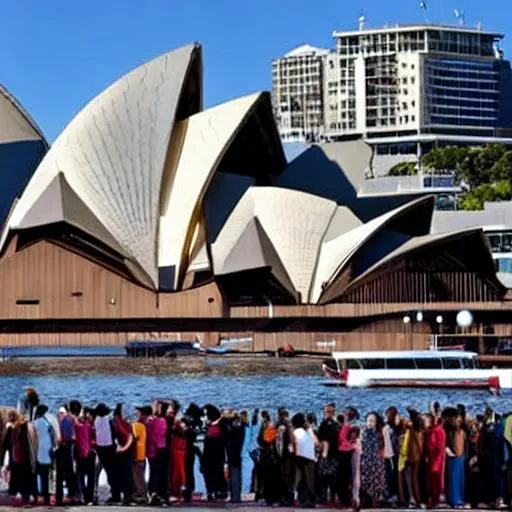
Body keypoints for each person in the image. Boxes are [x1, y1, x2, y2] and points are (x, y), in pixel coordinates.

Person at [0, 411, 37, 504]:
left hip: (15, 458)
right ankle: (26, 498)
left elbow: (4, 444)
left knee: (15, 480)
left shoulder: (10, 429)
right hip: (26, 459)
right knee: (25, 480)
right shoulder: (26, 428)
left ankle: (14, 497)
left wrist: (2, 458)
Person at [360, 412, 386, 507]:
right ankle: (366, 500)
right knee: (365, 480)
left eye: (372, 421)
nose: (370, 423)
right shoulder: (363, 432)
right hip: (365, 460)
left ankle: (373, 500)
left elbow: (381, 446)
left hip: (375, 461)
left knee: (375, 482)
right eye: (369, 420)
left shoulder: (378, 433)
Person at [292, 412, 317, 508]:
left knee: (305, 480)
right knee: (307, 480)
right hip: (308, 457)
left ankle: (307, 499)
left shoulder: (299, 431)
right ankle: (308, 499)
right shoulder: (308, 430)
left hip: (302, 457)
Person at [202, 404, 228, 501]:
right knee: (209, 472)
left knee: (218, 472)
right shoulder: (210, 425)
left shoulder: (222, 424)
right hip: (209, 453)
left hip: (217, 453)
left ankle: (219, 491)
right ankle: (211, 491)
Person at [94, 403, 117, 504]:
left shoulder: (96, 421)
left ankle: (94, 492)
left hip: (99, 448)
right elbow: (114, 434)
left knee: (97, 471)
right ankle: (114, 493)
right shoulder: (109, 420)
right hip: (109, 448)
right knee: (111, 472)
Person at [72, 402, 95, 505]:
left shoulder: (76, 426)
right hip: (89, 452)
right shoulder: (88, 426)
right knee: (90, 476)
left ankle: (82, 496)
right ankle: (89, 498)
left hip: (80, 453)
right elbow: (93, 438)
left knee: (81, 476)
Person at [316, 402, 339, 505]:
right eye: (327, 412)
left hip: (334, 454)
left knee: (333, 478)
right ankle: (324, 497)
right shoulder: (323, 424)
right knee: (324, 478)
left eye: (331, 411)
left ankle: (332, 497)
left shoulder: (336, 424)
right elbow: (320, 440)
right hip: (325, 455)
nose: (329, 414)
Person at [33, 405, 56, 505]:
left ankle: (38, 495)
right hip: (47, 452)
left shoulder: (34, 423)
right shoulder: (48, 423)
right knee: (46, 476)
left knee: (37, 475)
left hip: (37, 452)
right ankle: (45, 496)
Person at [146, 400, 168, 505]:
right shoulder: (162, 421)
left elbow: (150, 435)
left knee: (153, 472)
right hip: (159, 449)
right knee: (158, 472)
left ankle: (152, 492)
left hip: (152, 449)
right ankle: (156, 493)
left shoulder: (150, 421)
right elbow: (162, 434)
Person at [112, 403, 134, 504]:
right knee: (125, 473)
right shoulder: (121, 421)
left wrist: (122, 448)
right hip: (123, 450)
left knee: (124, 473)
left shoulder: (120, 421)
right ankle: (126, 495)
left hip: (123, 450)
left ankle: (125, 495)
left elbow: (129, 436)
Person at [56, 404, 77, 505]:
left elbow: (67, 437)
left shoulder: (65, 421)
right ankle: (68, 494)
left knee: (64, 473)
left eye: (60, 413)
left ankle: (67, 495)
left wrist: (61, 441)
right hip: (65, 449)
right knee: (67, 473)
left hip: (65, 449)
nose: (59, 415)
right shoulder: (66, 421)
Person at [337, 406, 359, 506]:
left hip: (345, 452)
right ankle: (345, 500)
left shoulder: (349, 426)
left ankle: (346, 500)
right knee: (343, 478)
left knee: (344, 478)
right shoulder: (346, 425)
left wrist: (349, 445)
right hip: (344, 451)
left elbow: (347, 439)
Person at [445, 413, 467, 508]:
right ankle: (453, 500)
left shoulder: (463, 432)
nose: (458, 422)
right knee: (453, 480)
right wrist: (448, 451)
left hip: (461, 458)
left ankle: (460, 500)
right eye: (456, 420)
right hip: (452, 458)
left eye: (459, 421)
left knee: (460, 480)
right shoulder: (449, 432)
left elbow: (466, 445)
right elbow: (446, 444)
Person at [223, 410, 245, 503]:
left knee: (234, 475)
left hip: (234, 453)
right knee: (234, 474)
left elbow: (232, 438)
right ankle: (235, 496)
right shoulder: (238, 424)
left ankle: (235, 496)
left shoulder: (234, 425)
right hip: (235, 453)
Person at [425, 412, 446, 508]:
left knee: (434, 480)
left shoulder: (435, 431)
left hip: (435, 459)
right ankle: (435, 500)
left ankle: (434, 500)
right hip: (437, 458)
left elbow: (433, 446)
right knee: (436, 480)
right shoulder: (439, 430)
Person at [405, 408, 425, 507]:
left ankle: (416, 499)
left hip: (411, 456)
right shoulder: (420, 429)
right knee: (415, 478)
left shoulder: (412, 429)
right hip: (417, 457)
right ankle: (417, 500)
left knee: (413, 479)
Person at [275, 407, 294, 506]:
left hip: (283, 455)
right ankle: (288, 498)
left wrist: (279, 454)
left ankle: (284, 498)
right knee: (288, 477)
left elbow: (279, 442)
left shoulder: (281, 425)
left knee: (283, 477)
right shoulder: (289, 424)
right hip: (287, 454)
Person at [132, 406, 149, 504]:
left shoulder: (137, 425)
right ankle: (143, 494)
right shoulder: (143, 426)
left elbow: (133, 438)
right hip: (142, 455)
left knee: (137, 477)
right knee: (140, 476)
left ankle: (141, 495)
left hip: (136, 455)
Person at [382, 406, 400, 504]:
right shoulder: (388, 427)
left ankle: (393, 495)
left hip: (391, 454)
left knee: (391, 475)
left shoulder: (391, 428)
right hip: (388, 454)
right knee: (389, 475)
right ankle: (390, 494)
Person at [350, 425, 362, 510]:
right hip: (351, 464)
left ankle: (356, 500)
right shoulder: (351, 441)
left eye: (354, 433)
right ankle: (354, 499)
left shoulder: (357, 441)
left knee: (355, 481)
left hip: (356, 465)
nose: (353, 434)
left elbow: (358, 450)